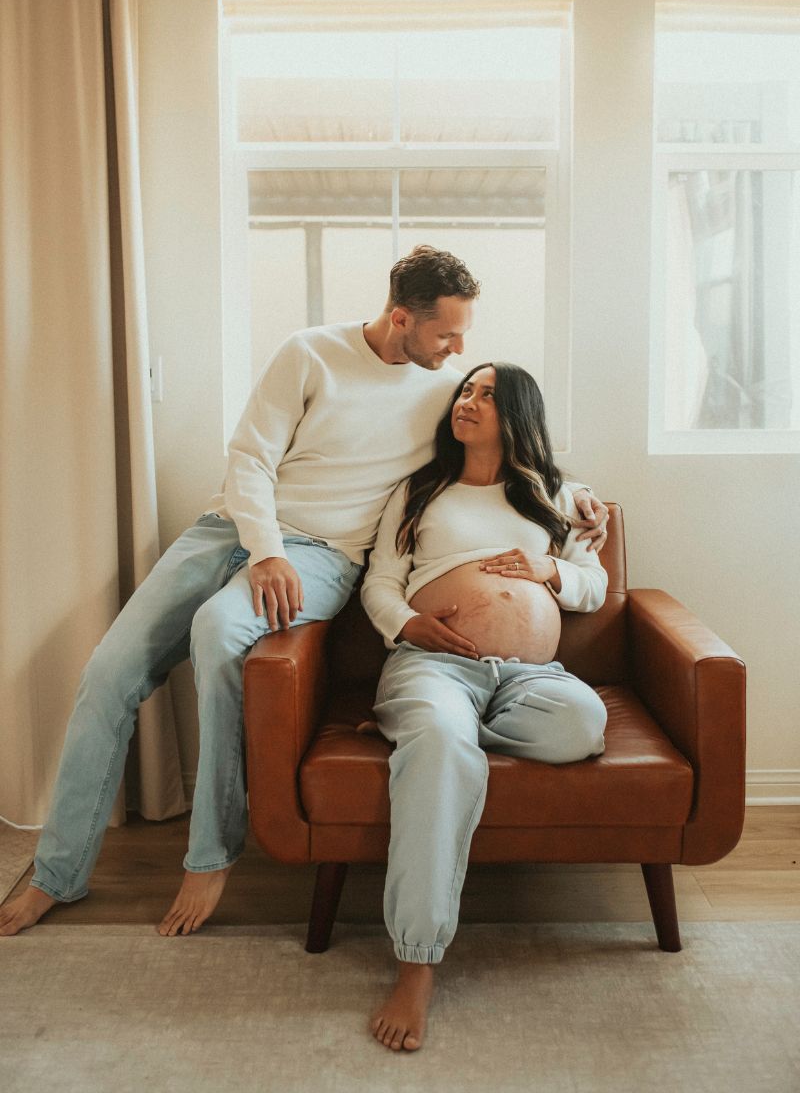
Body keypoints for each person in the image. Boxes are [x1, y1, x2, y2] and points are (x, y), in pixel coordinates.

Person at [0, 246, 608, 940]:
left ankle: (210, 854)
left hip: (323, 553)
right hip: (230, 529)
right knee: (108, 672)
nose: (460, 350)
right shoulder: (310, 354)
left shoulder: (447, 387)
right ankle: (57, 876)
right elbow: (250, 459)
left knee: (217, 631)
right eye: (447, 334)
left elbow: (516, 448)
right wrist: (263, 551)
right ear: (401, 317)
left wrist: (578, 494)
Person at [360, 361, 609, 1052]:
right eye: (465, 390)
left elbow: (592, 584)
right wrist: (408, 624)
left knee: (582, 723)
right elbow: (380, 584)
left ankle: (438, 732)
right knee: (440, 741)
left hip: (528, 676)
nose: (468, 401)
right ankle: (416, 963)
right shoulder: (418, 492)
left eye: (488, 396)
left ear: (518, 414)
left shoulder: (556, 496)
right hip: (433, 663)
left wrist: (548, 569)